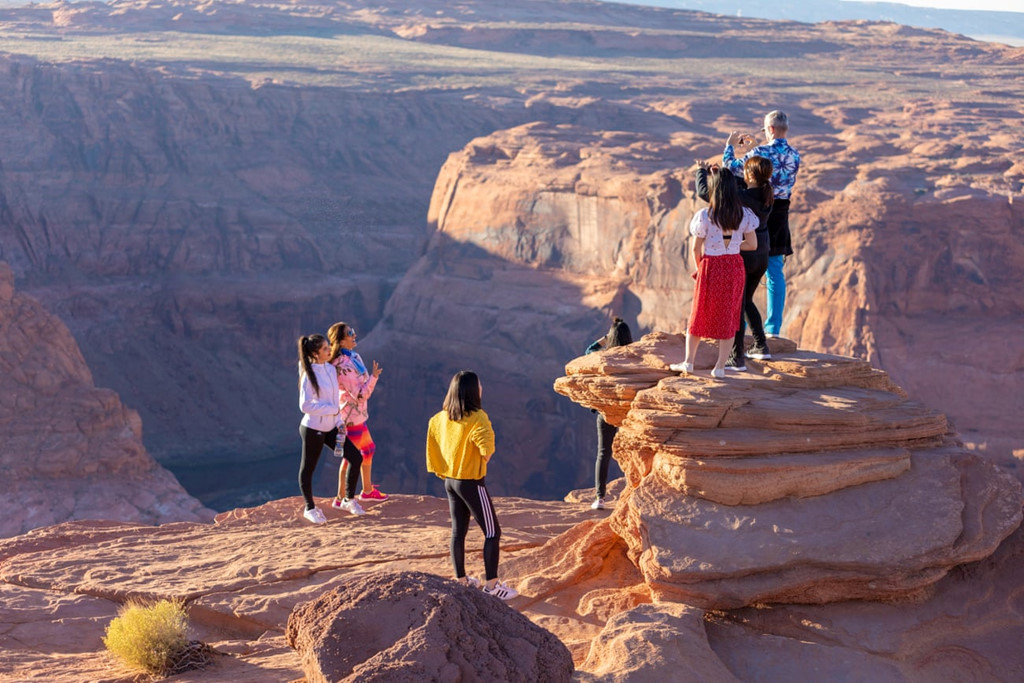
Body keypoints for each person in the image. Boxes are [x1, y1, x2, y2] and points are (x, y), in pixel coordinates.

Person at [426, 371, 518, 600]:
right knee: (493, 532)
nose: (482, 388)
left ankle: (461, 580)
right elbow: (486, 448)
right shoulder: (478, 417)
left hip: (451, 481)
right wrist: (479, 459)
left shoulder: (440, 418)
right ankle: (492, 586)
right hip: (471, 482)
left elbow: (434, 446)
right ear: (472, 391)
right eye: (479, 384)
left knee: (458, 531)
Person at [669, 168, 758, 377]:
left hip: (711, 265)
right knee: (729, 316)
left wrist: (700, 269)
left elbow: (695, 248)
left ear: (714, 189)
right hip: (734, 266)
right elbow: (752, 245)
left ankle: (689, 362)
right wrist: (734, 245)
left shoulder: (705, 216)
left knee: (700, 312)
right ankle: (719, 368)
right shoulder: (743, 214)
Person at [722, 110, 800, 340]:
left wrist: (730, 146)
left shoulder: (759, 152)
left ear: (771, 129)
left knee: (745, 271)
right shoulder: (795, 155)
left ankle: (741, 331)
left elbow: (731, 168)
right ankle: (773, 330)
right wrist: (756, 149)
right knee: (775, 271)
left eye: (765, 129)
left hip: (754, 212)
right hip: (779, 216)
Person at [696, 156, 773, 370]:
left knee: (736, 305)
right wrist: (721, 174)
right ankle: (760, 345)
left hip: (745, 253)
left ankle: (736, 357)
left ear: (748, 175)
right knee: (746, 300)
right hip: (762, 252)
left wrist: (701, 174)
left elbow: (707, 193)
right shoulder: (766, 194)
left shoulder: (743, 197)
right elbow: (738, 191)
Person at [297, 334, 363, 523]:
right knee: (309, 468)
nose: (329, 350)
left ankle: (348, 500)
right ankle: (309, 508)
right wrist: (331, 410)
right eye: (325, 348)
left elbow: (334, 398)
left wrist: (338, 420)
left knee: (355, 457)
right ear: (316, 353)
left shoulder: (330, 369)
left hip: (332, 426)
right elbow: (305, 405)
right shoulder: (309, 374)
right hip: (313, 428)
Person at [327, 322, 386, 505]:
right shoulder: (342, 366)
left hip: (358, 416)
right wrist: (374, 377)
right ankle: (340, 498)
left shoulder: (354, 356)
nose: (354, 335)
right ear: (341, 341)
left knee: (368, 450)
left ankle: (367, 490)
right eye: (350, 333)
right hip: (350, 418)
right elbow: (360, 394)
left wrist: (370, 378)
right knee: (351, 457)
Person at [584, 317, 633, 510]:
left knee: (603, 453)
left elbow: (589, 351)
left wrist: (605, 338)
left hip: (605, 413)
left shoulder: (604, 358)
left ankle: (600, 498)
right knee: (632, 452)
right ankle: (634, 493)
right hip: (629, 415)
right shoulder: (635, 356)